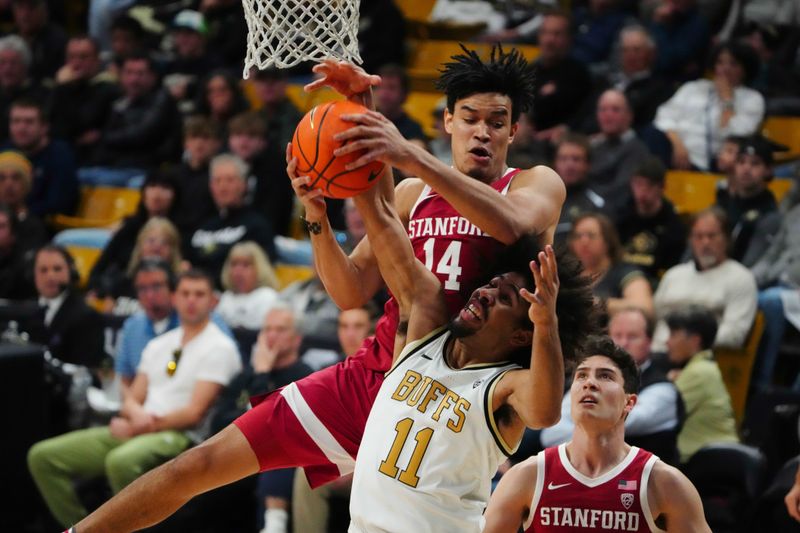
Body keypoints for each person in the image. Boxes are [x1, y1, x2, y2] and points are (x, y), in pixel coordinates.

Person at [67, 45, 569, 531]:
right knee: (196, 464)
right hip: (379, 367)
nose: (482, 132)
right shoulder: (415, 193)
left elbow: (511, 225)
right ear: (449, 121)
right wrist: (317, 216)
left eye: (496, 122)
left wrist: (409, 156)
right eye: (470, 118)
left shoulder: (534, 184)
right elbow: (350, 291)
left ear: (514, 130)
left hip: (458, 394)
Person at [27, 269, 242, 529]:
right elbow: (131, 396)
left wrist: (144, 425)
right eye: (185, 293)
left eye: (199, 294)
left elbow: (194, 413)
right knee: (43, 457)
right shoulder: (160, 343)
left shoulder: (220, 347)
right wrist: (133, 417)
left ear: (213, 301)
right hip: (137, 425)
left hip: (181, 435)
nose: (191, 300)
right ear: (174, 298)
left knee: (121, 462)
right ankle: (84, 527)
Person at [482, 335, 710, 533]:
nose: (589, 383)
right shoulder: (528, 476)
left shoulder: (663, 482)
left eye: (605, 376)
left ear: (629, 403)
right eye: (581, 376)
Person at [540, 308, 684, 465]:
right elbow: (550, 433)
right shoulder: (587, 379)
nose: (623, 343)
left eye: (632, 336)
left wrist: (584, 425)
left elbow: (615, 421)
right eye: (617, 335)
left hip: (643, 482)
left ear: (649, 341)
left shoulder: (663, 389)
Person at [651, 207, 757, 352]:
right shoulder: (674, 275)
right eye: (698, 236)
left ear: (726, 238)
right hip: (655, 353)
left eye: (712, 236)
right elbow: (653, 319)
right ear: (690, 240)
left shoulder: (741, 278)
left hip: (700, 360)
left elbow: (735, 334)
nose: (705, 243)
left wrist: (687, 344)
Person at [654, 41, 764, 171]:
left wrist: (727, 100)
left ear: (745, 69)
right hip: (676, 151)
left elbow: (735, 135)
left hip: (714, 162)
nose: (725, 69)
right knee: (651, 133)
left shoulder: (752, 98)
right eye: (720, 62)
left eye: (733, 64)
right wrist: (677, 144)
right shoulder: (693, 87)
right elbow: (663, 117)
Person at [187, 153, 277, 286]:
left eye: (230, 180)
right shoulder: (202, 226)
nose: (223, 187)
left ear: (244, 184)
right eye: (217, 181)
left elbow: (262, 270)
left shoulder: (257, 227)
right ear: (211, 186)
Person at [664, 306, 739, 463]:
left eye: (673, 335)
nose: (667, 342)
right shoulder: (701, 368)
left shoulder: (699, 372)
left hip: (711, 463)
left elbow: (663, 413)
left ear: (694, 340)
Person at [614, 156, 686, 285]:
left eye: (649, 185)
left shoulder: (674, 226)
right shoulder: (620, 217)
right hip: (620, 280)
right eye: (638, 184)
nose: (642, 191)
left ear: (662, 187)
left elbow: (674, 271)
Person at [714, 134, 783, 267]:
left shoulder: (770, 214)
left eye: (755, 163)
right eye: (741, 162)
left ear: (768, 170)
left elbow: (751, 264)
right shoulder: (723, 204)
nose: (746, 169)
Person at [568, 212, 654, 318]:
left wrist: (597, 303)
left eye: (591, 235)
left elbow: (645, 308)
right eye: (578, 236)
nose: (584, 241)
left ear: (607, 241)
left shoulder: (625, 272)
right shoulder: (567, 275)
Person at [4, 97, 79, 217]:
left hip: (43, 226)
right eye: (16, 121)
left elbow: (60, 205)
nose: (21, 128)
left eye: (29, 122)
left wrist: (20, 214)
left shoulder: (59, 155)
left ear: (44, 127)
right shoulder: (6, 152)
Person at [216, 241, 281, 330]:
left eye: (246, 265)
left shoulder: (267, 297)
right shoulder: (227, 297)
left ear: (260, 269)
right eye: (234, 264)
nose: (238, 271)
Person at [553, 133, 606, 239]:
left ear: (588, 165)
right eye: (563, 159)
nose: (569, 165)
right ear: (555, 163)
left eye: (576, 159)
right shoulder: (544, 200)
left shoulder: (597, 203)